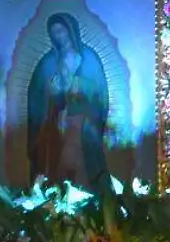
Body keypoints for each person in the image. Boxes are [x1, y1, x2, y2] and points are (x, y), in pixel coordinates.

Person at [28, 12, 110, 184]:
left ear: (71, 31)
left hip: (81, 123)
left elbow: (99, 93)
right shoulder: (48, 61)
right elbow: (37, 94)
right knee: (55, 162)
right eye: (54, 32)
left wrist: (76, 84)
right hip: (55, 121)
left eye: (62, 31)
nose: (59, 36)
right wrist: (52, 91)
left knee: (80, 164)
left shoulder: (89, 58)